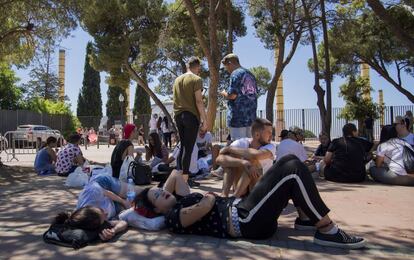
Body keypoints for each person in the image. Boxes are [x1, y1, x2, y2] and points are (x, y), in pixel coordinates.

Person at [135, 154, 366, 249]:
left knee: (289, 161)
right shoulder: (174, 218)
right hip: (245, 221)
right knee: (292, 169)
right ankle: (326, 229)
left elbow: (175, 175)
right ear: (157, 210)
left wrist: (150, 195)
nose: (162, 193)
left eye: (159, 191)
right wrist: (208, 197)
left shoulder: (180, 199)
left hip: (242, 208)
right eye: (158, 197)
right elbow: (205, 206)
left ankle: (307, 219)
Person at [217, 118, 275, 198]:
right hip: (241, 187)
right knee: (232, 159)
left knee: (253, 160)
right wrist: (242, 162)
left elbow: (257, 155)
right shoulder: (242, 142)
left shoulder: (271, 146)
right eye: (269, 133)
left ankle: (234, 198)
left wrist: (229, 148)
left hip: (259, 189)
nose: (271, 136)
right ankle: (224, 197)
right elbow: (219, 159)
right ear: (257, 135)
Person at [173, 56, 208, 183]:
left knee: (183, 147)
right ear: (197, 67)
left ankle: (179, 177)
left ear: (188, 65)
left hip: (178, 115)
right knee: (189, 149)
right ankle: (185, 180)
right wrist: (205, 120)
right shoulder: (196, 79)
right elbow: (198, 101)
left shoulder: (177, 80)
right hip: (190, 116)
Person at [220, 53, 258, 141]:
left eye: (226, 66)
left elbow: (232, 95)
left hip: (238, 118)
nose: (227, 69)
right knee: (249, 145)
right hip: (251, 117)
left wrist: (224, 93)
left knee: (239, 147)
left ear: (230, 63)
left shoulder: (235, 74)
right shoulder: (250, 74)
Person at [54, 206, 127, 242]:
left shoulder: (82, 215)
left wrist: (114, 230)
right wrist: (113, 231)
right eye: (104, 215)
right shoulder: (102, 226)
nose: (106, 213)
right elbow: (123, 222)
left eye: (101, 209)